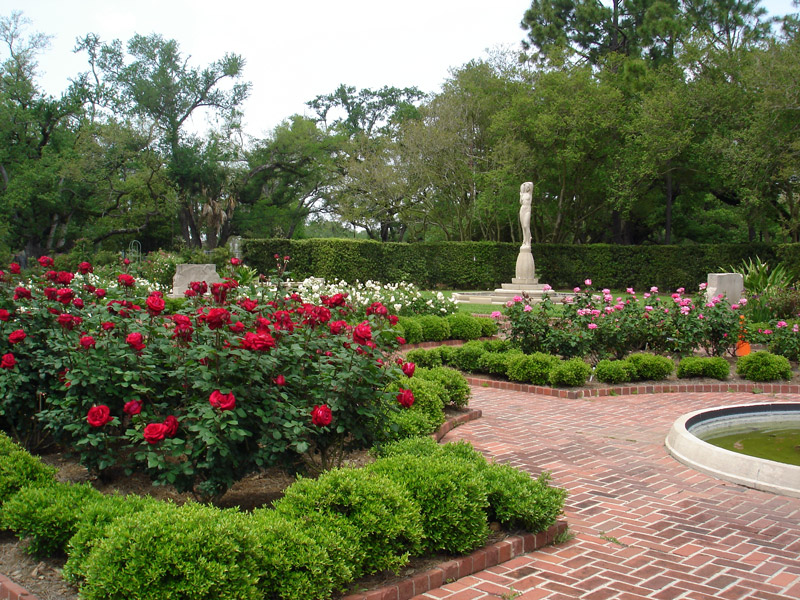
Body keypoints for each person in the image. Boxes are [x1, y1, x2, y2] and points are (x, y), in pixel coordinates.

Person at [519, 181, 533, 248]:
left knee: (526, 226)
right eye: (526, 187)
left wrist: (525, 183)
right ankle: (525, 240)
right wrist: (521, 195)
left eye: (528, 187)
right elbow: (520, 202)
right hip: (522, 209)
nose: (527, 187)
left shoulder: (530, 194)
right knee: (523, 227)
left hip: (527, 209)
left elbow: (531, 184)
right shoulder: (523, 194)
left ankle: (528, 240)